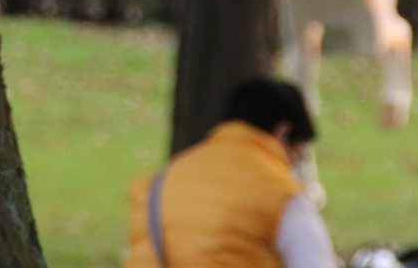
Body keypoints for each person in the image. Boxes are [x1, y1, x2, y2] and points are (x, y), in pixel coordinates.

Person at [124, 78, 340, 268]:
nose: (294, 164)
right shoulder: (279, 194)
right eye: (299, 153)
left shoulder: (159, 182)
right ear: (282, 133)